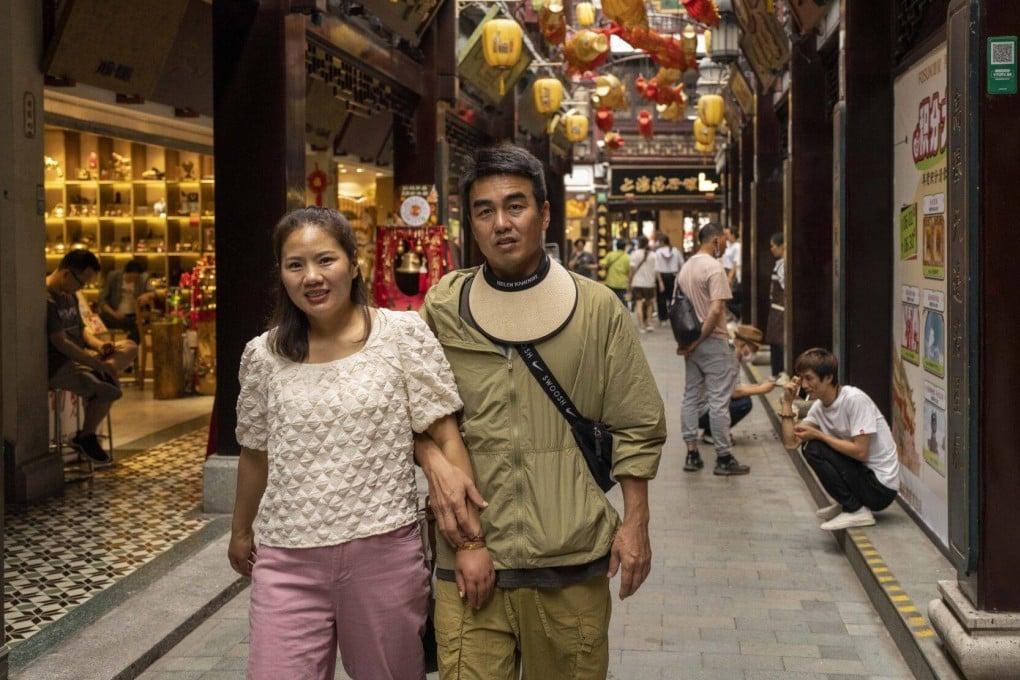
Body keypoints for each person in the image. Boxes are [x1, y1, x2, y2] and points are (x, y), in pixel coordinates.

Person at [415, 144, 666, 680]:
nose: (501, 223)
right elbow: (407, 408)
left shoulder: (598, 309)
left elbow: (638, 424)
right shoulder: (443, 308)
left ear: (544, 214)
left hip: (570, 561)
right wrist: (432, 461)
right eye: (484, 210)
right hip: (469, 561)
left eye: (515, 206)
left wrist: (637, 522)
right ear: (471, 223)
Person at [228, 206, 487, 680]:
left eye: (325, 260)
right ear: (281, 275)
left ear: (354, 263)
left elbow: (447, 439)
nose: (312, 277)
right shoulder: (263, 355)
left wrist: (470, 540)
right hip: (286, 559)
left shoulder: (401, 335)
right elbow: (254, 452)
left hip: (383, 554)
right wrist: (241, 530)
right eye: (295, 265)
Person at [779, 348, 901, 530]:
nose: (804, 385)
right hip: (863, 476)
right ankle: (849, 502)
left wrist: (820, 435)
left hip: (880, 488)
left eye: (809, 378)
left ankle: (855, 509)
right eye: (801, 378)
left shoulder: (854, 399)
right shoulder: (819, 407)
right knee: (809, 446)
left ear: (828, 377)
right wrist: (787, 403)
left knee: (814, 447)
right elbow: (791, 443)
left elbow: (861, 451)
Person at [47, 250, 137, 463]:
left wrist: (99, 346)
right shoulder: (48, 299)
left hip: (83, 357)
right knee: (111, 390)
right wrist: (92, 361)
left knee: (130, 346)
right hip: (61, 364)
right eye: (82, 282)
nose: (82, 288)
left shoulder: (70, 294)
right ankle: (86, 437)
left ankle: (105, 369)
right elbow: (61, 342)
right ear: (67, 274)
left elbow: (81, 332)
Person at [677, 222, 750, 476]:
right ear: (716, 240)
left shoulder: (686, 267)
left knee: (690, 396)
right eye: (725, 242)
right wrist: (700, 338)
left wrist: (687, 342)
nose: (726, 246)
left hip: (690, 344)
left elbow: (679, 309)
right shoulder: (713, 268)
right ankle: (723, 456)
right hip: (713, 341)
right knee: (719, 401)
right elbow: (717, 309)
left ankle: (692, 453)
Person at [699, 325, 776, 446]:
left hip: (703, 407)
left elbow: (734, 385)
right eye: (753, 350)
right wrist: (761, 389)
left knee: (743, 398)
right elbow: (735, 392)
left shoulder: (728, 350)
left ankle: (713, 430)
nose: (752, 354)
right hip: (703, 411)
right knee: (744, 403)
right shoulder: (729, 356)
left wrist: (757, 385)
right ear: (744, 345)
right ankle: (715, 433)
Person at [97, 260, 154, 343]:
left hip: (134, 316)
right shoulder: (113, 277)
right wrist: (114, 314)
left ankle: (129, 347)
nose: (133, 280)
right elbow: (102, 300)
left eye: (136, 278)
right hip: (115, 315)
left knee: (142, 323)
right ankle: (129, 348)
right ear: (125, 272)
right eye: (130, 277)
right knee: (99, 318)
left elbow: (153, 292)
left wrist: (147, 295)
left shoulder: (143, 278)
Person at [765, 232, 786, 380]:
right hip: (775, 307)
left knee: (777, 340)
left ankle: (779, 372)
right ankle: (776, 372)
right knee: (774, 340)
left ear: (782, 246)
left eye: (773, 246)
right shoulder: (779, 263)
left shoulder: (784, 265)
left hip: (780, 308)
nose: (771, 249)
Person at [628, 235, 657, 332]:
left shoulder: (634, 254)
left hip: (637, 283)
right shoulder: (653, 255)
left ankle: (641, 326)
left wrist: (629, 282)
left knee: (639, 305)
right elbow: (656, 270)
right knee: (649, 304)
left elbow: (631, 270)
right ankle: (649, 324)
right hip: (649, 283)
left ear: (639, 243)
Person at [653, 235, 683, 327]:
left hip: (662, 276)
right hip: (673, 276)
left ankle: (663, 318)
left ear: (662, 242)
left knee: (661, 299)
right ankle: (674, 317)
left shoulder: (658, 252)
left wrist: (660, 281)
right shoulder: (675, 251)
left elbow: (656, 268)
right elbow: (682, 264)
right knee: (673, 298)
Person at [600, 237, 631, 305]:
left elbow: (602, 264)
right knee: (623, 303)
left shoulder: (610, 254)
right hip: (622, 284)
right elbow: (629, 271)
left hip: (611, 282)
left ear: (616, 246)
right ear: (625, 247)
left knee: (611, 302)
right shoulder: (628, 257)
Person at [722, 226, 742, 322]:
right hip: (725, 270)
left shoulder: (737, 247)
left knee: (730, 298)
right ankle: (732, 317)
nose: (726, 237)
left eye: (728, 234)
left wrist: (730, 277)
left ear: (733, 235)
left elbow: (735, 263)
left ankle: (739, 315)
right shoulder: (728, 245)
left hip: (731, 272)